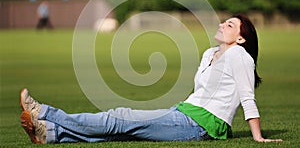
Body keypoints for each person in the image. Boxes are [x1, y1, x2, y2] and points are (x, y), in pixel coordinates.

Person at [20, 14, 283, 144]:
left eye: (230, 25)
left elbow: (247, 96)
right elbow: (200, 94)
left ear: (240, 38)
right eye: (224, 21)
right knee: (122, 130)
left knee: (118, 117)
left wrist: (257, 137)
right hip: (183, 113)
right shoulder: (210, 53)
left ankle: (45, 112)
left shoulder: (240, 55)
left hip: (199, 125)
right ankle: (52, 133)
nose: (222, 25)